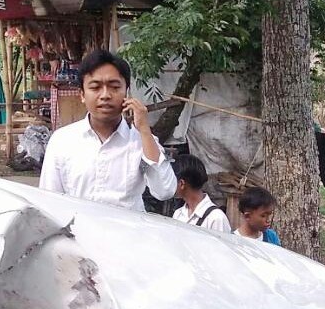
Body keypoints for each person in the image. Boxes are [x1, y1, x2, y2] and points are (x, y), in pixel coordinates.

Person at [39, 49, 176, 210]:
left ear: (127, 92)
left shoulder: (140, 140)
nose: (105, 95)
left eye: (114, 87)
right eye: (95, 87)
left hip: (129, 233)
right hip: (79, 232)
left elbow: (165, 191)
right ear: (82, 94)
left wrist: (145, 131)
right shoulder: (63, 140)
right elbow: (49, 200)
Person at [171, 154, 231, 232]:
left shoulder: (216, 218)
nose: (169, 184)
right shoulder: (178, 214)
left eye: (171, 180)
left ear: (182, 183)